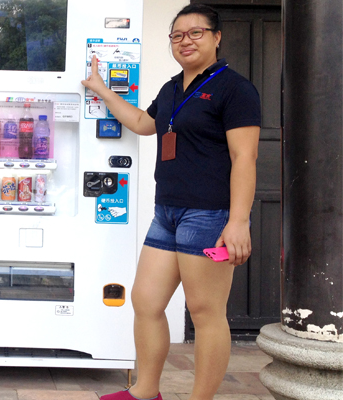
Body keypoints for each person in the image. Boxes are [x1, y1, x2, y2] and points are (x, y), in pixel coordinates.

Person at [81, 4, 260, 400]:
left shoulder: (235, 89)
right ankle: (146, 391)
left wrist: (238, 221)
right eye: (177, 35)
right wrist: (101, 89)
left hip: (209, 214)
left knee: (205, 311)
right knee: (145, 301)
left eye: (196, 33)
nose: (185, 41)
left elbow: (244, 157)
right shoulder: (171, 88)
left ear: (216, 37)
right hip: (167, 213)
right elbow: (144, 124)